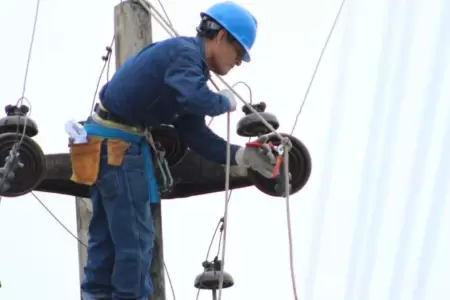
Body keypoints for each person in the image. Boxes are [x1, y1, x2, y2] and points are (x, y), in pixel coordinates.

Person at [75, 1, 277, 299]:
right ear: (220, 36)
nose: (238, 63)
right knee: (136, 245)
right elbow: (195, 98)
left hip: (106, 145)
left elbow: (194, 132)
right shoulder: (184, 56)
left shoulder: (187, 67)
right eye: (238, 52)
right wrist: (223, 101)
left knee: (105, 244)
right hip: (118, 149)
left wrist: (241, 156)